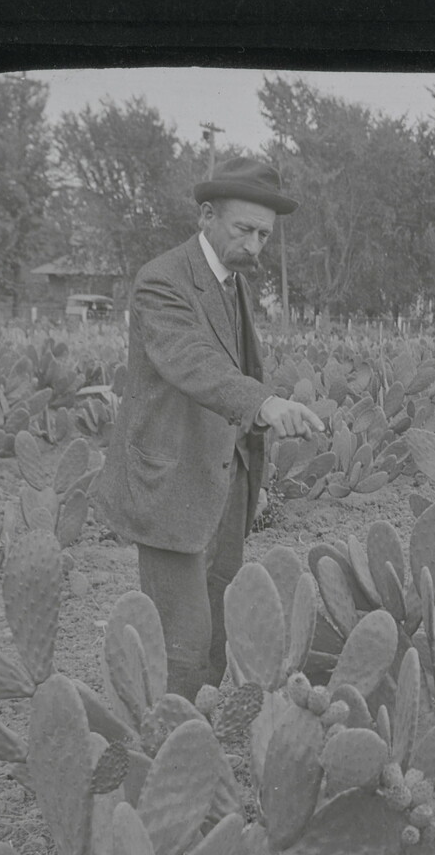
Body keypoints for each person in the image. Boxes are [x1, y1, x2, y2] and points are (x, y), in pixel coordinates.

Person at [92, 157, 324, 699]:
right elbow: (192, 360)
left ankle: (202, 728)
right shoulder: (161, 281)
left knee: (219, 620)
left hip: (226, 475)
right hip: (172, 481)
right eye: (244, 229)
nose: (255, 245)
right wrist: (262, 402)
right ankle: (169, 749)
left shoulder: (233, 281)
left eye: (264, 235)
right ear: (205, 215)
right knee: (183, 636)